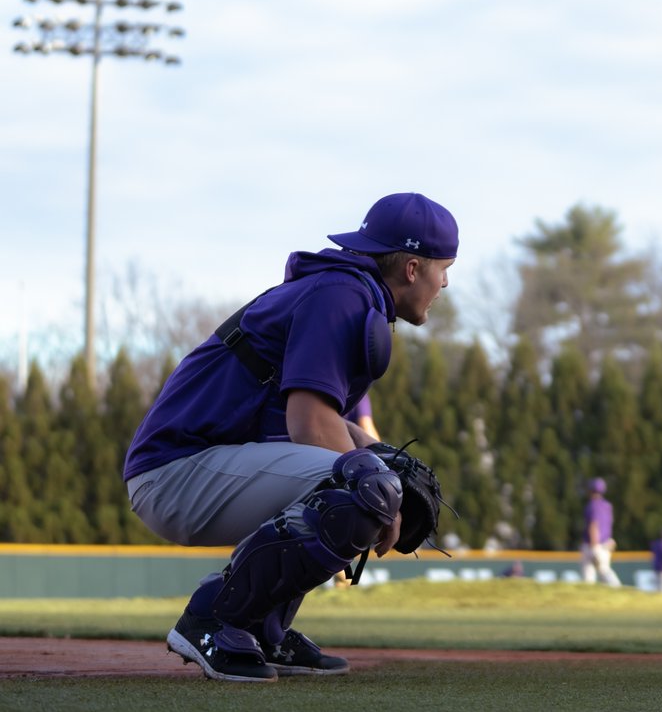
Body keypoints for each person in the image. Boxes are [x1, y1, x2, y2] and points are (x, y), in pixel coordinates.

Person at [123, 191, 459, 683]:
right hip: (175, 470)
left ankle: (262, 630)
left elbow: (322, 419)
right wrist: (378, 485)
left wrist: (376, 459)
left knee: (367, 477)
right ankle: (213, 618)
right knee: (362, 489)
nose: (445, 281)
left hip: (203, 464)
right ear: (412, 267)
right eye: (443, 267)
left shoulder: (344, 289)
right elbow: (308, 424)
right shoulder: (342, 294)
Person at [580, 477, 622, 586]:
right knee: (604, 570)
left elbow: (594, 526)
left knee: (592, 576)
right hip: (606, 543)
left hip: (594, 544)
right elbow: (608, 525)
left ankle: (618, 588)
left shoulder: (592, 505)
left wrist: (594, 547)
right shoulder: (607, 506)